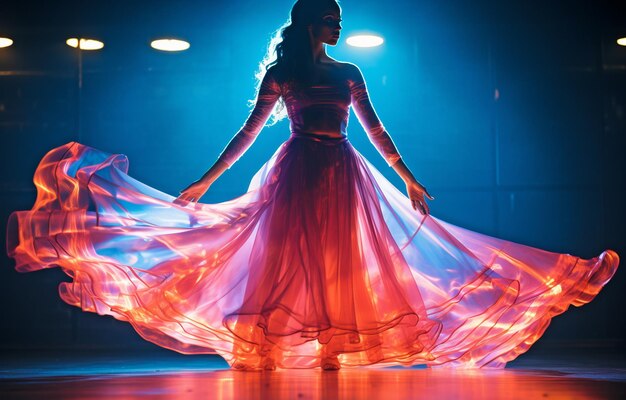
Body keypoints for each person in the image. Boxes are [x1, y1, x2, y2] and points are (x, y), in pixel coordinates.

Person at [6, 0, 619, 372]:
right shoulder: (282, 72)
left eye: (340, 18)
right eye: (331, 17)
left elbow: (377, 130)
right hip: (298, 166)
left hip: (344, 168)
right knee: (285, 257)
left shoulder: (350, 71)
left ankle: (332, 347)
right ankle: (275, 345)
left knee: (343, 259)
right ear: (308, 22)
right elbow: (247, 133)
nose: (338, 24)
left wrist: (408, 178)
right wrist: (205, 180)